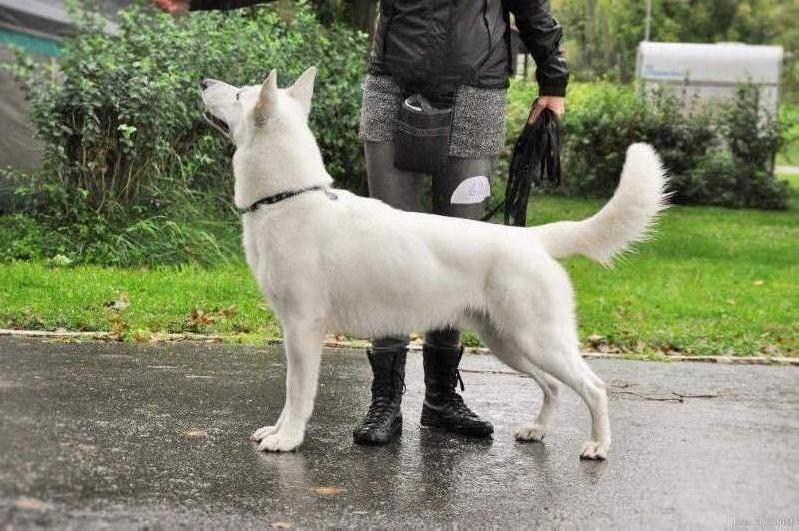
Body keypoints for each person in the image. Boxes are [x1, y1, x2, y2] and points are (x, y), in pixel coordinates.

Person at [154, 0, 568, 445]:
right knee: (384, 256)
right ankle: (385, 398)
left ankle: (442, 396)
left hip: (477, 87)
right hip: (392, 82)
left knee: (461, 253)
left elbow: (531, 5)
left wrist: (553, 78)